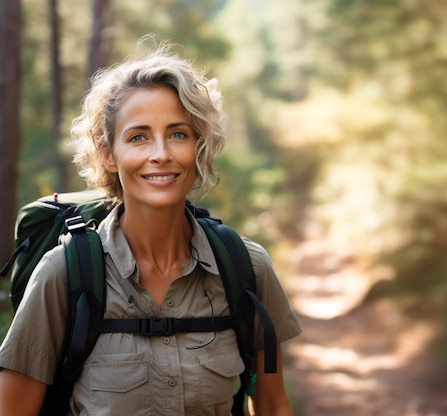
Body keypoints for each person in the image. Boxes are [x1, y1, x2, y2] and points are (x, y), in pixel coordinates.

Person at [0, 40, 301, 416]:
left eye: (178, 134)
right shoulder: (63, 276)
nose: (161, 153)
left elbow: (272, 404)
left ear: (198, 146)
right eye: (138, 137)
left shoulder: (245, 268)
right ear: (108, 154)